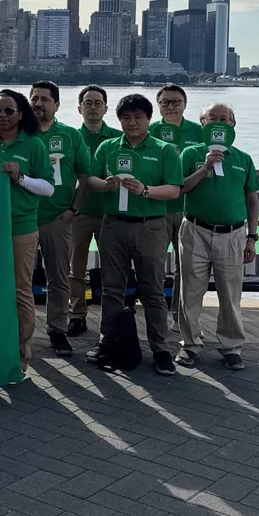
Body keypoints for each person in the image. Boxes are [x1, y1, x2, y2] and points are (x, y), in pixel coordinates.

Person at [89, 94, 184, 376]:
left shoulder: (164, 150)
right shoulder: (108, 147)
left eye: (138, 117)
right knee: (111, 288)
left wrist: (145, 190)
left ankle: (160, 348)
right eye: (126, 117)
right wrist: (105, 185)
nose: (132, 122)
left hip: (150, 226)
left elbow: (174, 190)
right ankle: (107, 340)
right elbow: (91, 180)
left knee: (152, 289)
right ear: (119, 120)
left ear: (148, 119)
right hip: (113, 225)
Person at [177, 103, 259, 371]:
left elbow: (252, 199)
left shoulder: (243, 159)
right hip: (195, 230)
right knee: (190, 291)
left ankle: (232, 347)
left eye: (224, 119)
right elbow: (180, 188)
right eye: (212, 118)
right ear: (203, 124)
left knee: (230, 293)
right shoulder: (190, 153)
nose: (219, 123)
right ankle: (190, 344)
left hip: (232, 234)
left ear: (233, 125)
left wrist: (252, 237)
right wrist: (205, 168)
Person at [0, 89, 53, 373]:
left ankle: (21, 353)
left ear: (21, 114)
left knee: (21, 290)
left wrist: (20, 177)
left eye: (9, 110)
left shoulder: (34, 145)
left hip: (21, 226)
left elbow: (48, 188)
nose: (2, 115)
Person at [29, 81, 90, 358]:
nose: (38, 104)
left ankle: (57, 330)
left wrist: (73, 210)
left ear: (56, 104)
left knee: (58, 278)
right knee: (20, 280)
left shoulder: (71, 136)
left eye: (44, 99)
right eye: (34, 98)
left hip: (58, 218)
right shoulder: (21, 134)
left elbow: (84, 176)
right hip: (24, 219)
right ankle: (20, 332)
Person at [70, 86, 122, 336]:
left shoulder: (118, 139)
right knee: (75, 269)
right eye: (88, 103)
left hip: (109, 214)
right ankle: (77, 315)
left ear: (106, 108)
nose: (93, 107)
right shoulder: (71, 137)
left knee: (112, 269)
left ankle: (111, 319)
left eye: (97, 103)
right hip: (78, 212)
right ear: (79, 108)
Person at [150, 84, 203, 315]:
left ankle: (180, 317)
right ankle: (157, 313)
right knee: (154, 265)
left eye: (176, 102)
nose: (170, 106)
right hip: (157, 209)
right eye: (165, 102)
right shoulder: (149, 131)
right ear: (158, 105)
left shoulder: (199, 132)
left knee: (187, 267)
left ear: (185, 104)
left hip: (188, 211)